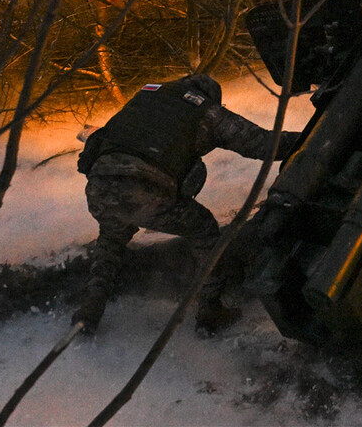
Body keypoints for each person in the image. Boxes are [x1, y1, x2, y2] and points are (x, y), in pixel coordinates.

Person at [72, 73, 301, 336]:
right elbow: (263, 144)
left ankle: (88, 313)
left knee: (110, 243)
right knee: (203, 228)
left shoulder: (145, 98)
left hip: (99, 188)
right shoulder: (204, 110)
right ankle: (210, 311)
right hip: (145, 188)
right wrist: (312, 137)